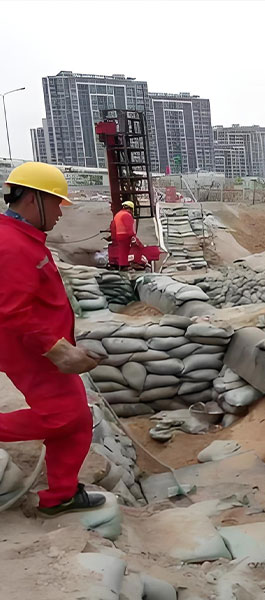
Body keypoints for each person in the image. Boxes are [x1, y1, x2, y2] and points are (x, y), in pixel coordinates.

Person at [0, 162, 106, 516]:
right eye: (57, 203)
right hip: (27, 348)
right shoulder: (12, 246)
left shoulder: (26, 240)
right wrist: (56, 350)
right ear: (33, 199)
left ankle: (61, 494)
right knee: (64, 417)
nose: (61, 213)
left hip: (42, 345)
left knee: (77, 421)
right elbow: (13, 312)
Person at [109, 200, 144, 269]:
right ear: (131, 209)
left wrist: (113, 236)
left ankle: (122, 265)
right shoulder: (127, 215)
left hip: (118, 236)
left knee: (123, 251)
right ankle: (136, 263)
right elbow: (129, 228)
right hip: (125, 235)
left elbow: (113, 226)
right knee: (139, 247)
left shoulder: (118, 214)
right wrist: (133, 237)